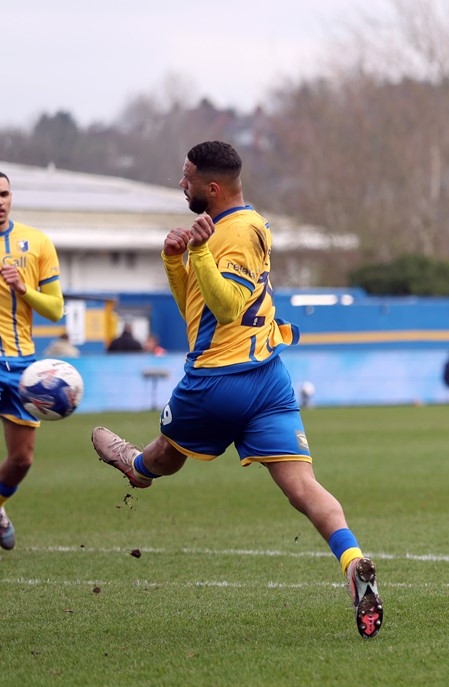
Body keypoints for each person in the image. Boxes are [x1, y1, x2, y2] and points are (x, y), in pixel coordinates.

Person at [90, 141, 383, 639]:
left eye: (186, 177)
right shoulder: (251, 224)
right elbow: (198, 304)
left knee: (165, 457)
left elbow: (225, 309)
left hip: (218, 381)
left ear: (211, 186)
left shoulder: (230, 235)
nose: (180, 184)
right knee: (304, 489)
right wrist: (175, 260)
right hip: (268, 377)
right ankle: (352, 561)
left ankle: (133, 467)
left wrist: (200, 249)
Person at [0, 171, 66, 551]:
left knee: (21, 460)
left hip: (20, 366)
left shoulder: (36, 243)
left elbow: (56, 309)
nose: (0, 200)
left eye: (5, 193)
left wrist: (24, 290)